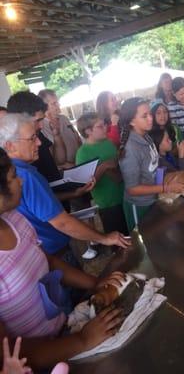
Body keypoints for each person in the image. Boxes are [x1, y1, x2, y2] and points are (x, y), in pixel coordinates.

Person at [0, 148, 125, 371]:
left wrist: (95, 283)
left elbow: (46, 261)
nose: (20, 181)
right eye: (12, 177)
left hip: (63, 331)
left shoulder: (14, 219)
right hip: (42, 361)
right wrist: (83, 340)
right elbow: (7, 352)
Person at [0, 113, 130, 257]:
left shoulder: (19, 170)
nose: (39, 143)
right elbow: (61, 222)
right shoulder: (25, 176)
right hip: (54, 250)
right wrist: (104, 238)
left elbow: (39, 204)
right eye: (32, 138)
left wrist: (74, 194)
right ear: (10, 146)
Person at [119, 97, 184, 231]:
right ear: (132, 121)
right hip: (139, 205)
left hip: (153, 198)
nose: (150, 118)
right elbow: (132, 189)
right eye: (144, 116)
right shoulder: (131, 149)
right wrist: (166, 187)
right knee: (144, 241)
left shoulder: (146, 136)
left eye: (150, 114)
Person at [76, 113, 128, 235]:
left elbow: (116, 165)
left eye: (104, 124)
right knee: (118, 238)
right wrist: (103, 167)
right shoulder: (83, 153)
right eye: (100, 126)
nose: (106, 128)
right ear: (88, 131)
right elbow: (86, 185)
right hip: (108, 204)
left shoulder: (108, 142)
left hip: (124, 195)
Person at [6, 91, 61, 183]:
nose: (41, 126)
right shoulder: (15, 167)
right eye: (37, 121)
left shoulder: (39, 135)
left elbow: (55, 163)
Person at [38, 89, 82, 168]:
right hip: (63, 172)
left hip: (79, 163)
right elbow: (50, 155)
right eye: (54, 103)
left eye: (57, 102)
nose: (59, 105)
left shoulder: (64, 118)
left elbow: (77, 139)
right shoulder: (41, 127)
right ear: (44, 107)